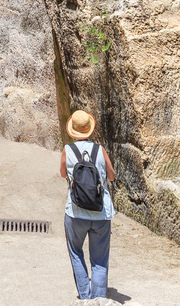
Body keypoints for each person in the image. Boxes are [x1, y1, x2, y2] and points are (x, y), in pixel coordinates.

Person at [60, 110, 115, 302]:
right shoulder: (100, 150)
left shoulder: (67, 150)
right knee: (99, 260)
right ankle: (99, 300)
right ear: (89, 130)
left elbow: (62, 173)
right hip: (101, 214)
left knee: (76, 252)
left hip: (75, 213)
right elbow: (111, 176)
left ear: (73, 131)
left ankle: (85, 298)